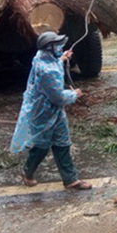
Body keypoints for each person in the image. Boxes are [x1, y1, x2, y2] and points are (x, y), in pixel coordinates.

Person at [10, 31, 92, 190]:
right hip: (42, 114)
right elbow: (59, 98)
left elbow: (53, 65)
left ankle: (70, 179)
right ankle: (28, 171)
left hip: (55, 113)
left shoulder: (41, 57)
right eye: (58, 46)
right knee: (41, 147)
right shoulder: (48, 70)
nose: (60, 48)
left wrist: (62, 59)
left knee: (62, 144)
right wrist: (74, 94)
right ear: (50, 48)